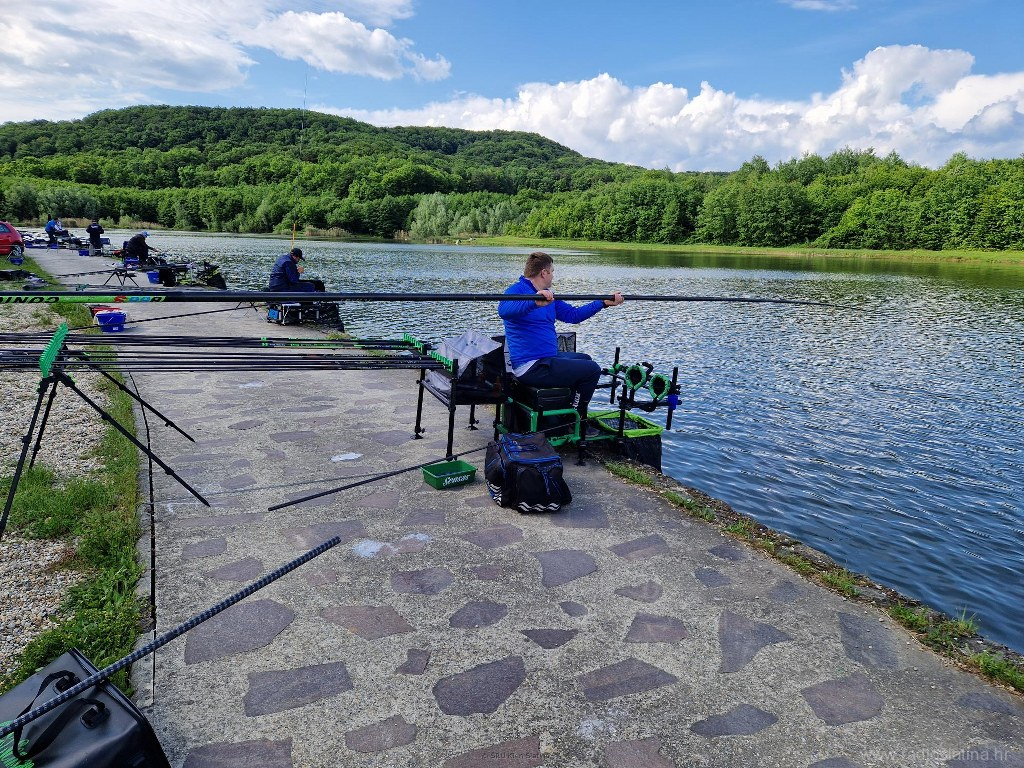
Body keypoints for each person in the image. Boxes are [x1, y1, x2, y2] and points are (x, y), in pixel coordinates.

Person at [498, 251, 624, 431]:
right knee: (592, 370)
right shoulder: (516, 290)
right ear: (544, 273)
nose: (553, 276)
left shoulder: (549, 297)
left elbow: (574, 315)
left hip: (546, 358)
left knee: (585, 359)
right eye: (552, 272)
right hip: (531, 366)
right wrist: (534, 302)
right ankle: (574, 421)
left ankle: (563, 411)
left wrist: (602, 303)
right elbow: (504, 311)